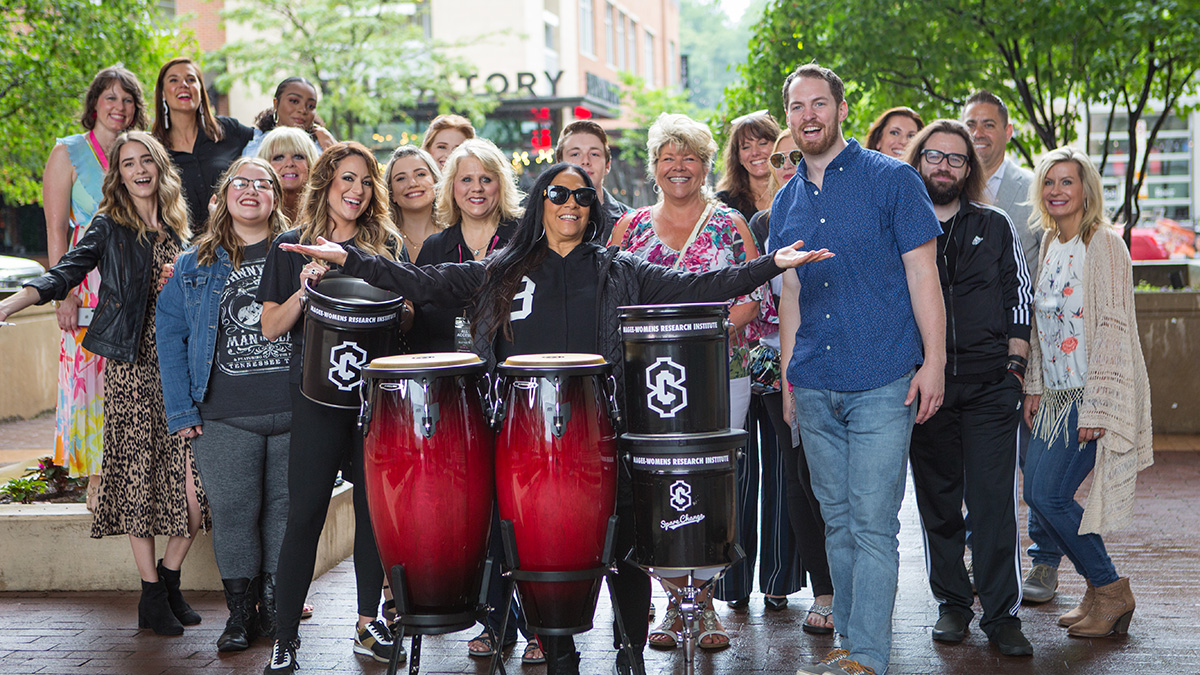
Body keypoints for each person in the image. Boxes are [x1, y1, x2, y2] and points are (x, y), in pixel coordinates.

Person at [277, 161, 832, 675]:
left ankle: (629, 653)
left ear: (593, 207)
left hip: (602, 432)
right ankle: (559, 653)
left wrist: (769, 265)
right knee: (533, 550)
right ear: (541, 202)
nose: (571, 203)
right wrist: (353, 259)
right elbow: (427, 282)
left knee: (623, 549)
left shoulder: (619, 269)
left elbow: (698, 288)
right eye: (559, 194)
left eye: (582, 196)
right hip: (522, 435)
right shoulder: (504, 268)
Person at [772, 64, 944, 675]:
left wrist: (935, 363)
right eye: (798, 107)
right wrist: (791, 379)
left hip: (883, 377)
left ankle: (868, 656)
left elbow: (924, 274)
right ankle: (849, 642)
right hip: (814, 382)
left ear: (841, 109)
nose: (809, 116)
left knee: (872, 525)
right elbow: (790, 296)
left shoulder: (892, 179)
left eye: (820, 103)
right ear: (788, 116)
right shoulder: (785, 201)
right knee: (837, 523)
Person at [1, 131, 206, 636]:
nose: (138, 169)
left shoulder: (181, 227)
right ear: (118, 174)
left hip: (181, 366)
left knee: (198, 490)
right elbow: (67, 270)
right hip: (133, 366)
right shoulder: (110, 225)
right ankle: (151, 595)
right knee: (137, 480)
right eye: (127, 163)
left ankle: (171, 578)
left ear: (160, 167)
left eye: (145, 160)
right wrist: (11, 302)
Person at [609, 112, 763, 650]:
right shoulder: (628, 229)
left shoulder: (729, 224)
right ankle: (676, 604)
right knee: (654, 487)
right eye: (669, 157)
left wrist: (697, 335)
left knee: (714, 485)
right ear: (654, 166)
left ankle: (708, 603)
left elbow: (751, 299)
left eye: (691, 157)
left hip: (723, 374)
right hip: (649, 385)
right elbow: (613, 300)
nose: (680, 167)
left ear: (704, 166)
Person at [257, 141, 404, 674]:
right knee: (306, 515)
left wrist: (389, 294)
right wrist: (304, 291)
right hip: (316, 400)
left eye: (366, 182)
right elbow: (270, 325)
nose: (357, 191)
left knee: (372, 515)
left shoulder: (384, 245)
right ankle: (286, 635)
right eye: (347, 179)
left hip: (373, 402)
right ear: (326, 183)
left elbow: (406, 316)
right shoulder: (291, 247)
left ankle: (368, 624)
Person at [902, 120, 1033, 656]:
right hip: (926, 388)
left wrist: (1015, 371)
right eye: (934, 156)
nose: (943, 166)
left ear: (969, 169)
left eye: (955, 159)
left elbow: (1018, 296)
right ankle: (952, 604)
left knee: (992, 504)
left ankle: (1002, 614)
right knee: (938, 504)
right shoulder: (899, 225)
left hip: (988, 386)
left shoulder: (995, 224)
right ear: (918, 161)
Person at [156, 157, 294, 652]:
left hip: (296, 412)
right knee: (235, 514)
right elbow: (169, 336)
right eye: (242, 182)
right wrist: (182, 411)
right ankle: (239, 616)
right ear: (224, 194)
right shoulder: (196, 262)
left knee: (284, 513)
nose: (252, 190)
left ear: (277, 196)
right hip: (224, 414)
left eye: (264, 183)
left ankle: (276, 612)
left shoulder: (298, 253)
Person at [1022, 146, 1152, 639]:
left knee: (1052, 495)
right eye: (1049, 183)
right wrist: (1035, 383)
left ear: (1086, 189)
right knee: (1037, 493)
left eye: (1067, 182)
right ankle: (1098, 593)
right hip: (1055, 394)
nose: (1057, 191)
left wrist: (1098, 403)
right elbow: (1043, 325)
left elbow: (1116, 326)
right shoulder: (1053, 243)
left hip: (1087, 394)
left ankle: (1111, 589)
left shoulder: (1105, 244)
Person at [962, 89, 1057, 603]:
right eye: (971, 123)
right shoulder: (950, 184)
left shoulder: (1030, 188)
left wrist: (1034, 358)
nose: (979, 133)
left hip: (1033, 349)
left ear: (1007, 131)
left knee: (1036, 465)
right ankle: (981, 554)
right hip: (971, 356)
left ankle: (1043, 561)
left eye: (989, 124)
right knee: (982, 464)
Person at [41, 65, 147, 510]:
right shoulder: (67, 153)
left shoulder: (140, 154)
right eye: (110, 97)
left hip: (134, 280)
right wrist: (62, 292)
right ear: (95, 103)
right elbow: (55, 232)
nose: (119, 107)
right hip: (85, 283)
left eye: (127, 99)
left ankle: (129, 471)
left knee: (130, 378)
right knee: (87, 379)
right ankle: (97, 478)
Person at [746, 129, 836, 634]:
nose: (783, 163)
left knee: (838, 485)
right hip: (780, 373)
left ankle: (852, 588)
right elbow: (768, 304)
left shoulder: (838, 210)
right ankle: (823, 591)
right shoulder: (761, 223)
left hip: (843, 366)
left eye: (794, 155)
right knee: (800, 481)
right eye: (778, 157)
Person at [716, 113, 806, 615]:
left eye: (770, 146)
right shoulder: (727, 212)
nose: (764, 158)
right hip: (738, 355)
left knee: (782, 472)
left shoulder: (803, 201)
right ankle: (730, 586)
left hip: (785, 360)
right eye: (749, 147)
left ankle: (778, 578)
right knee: (738, 471)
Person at [413, 138, 522, 353]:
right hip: (447, 375)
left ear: (501, 184)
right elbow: (419, 330)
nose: (476, 188)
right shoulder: (434, 248)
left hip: (509, 374)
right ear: (452, 186)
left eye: (486, 179)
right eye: (466, 179)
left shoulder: (523, 239)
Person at [152, 57, 255, 233]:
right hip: (182, 253)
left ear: (200, 90)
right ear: (162, 93)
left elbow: (270, 140)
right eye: (174, 80)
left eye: (191, 79)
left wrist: (317, 135)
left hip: (234, 243)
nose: (183, 84)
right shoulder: (153, 150)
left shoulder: (228, 130)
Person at [555, 120, 630, 244]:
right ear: (559, 164)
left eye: (594, 154)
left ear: (607, 165)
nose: (585, 161)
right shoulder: (542, 220)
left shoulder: (630, 221)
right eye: (575, 154)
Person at [242, 76, 336, 158]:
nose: (303, 110)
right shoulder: (255, 147)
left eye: (311, 106)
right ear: (276, 104)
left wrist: (335, 149)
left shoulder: (324, 148)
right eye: (294, 101)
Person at [715, 109, 782, 221]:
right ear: (738, 157)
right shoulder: (723, 204)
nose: (755, 152)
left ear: (777, 146)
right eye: (746, 147)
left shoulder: (795, 193)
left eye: (762, 143)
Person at [383, 145, 443, 262]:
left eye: (420, 174)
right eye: (401, 178)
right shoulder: (381, 241)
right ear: (391, 193)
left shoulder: (457, 234)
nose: (412, 183)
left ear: (435, 181)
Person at [257, 126, 318, 223]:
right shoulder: (253, 211)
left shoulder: (326, 210)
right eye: (279, 158)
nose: (289, 163)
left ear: (310, 163)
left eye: (298, 157)